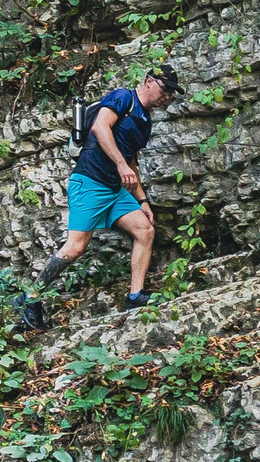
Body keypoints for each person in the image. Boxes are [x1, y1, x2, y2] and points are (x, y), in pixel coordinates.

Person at [25, 67, 179, 327]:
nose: (167, 97)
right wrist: (120, 165)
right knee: (76, 247)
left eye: (171, 94)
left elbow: (133, 163)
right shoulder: (123, 98)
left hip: (115, 190)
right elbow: (100, 127)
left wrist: (142, 200)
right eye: (165, 89)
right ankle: (30, 296)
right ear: (149, 82)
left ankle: (135, 295)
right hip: (90, 181)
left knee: (145, 230)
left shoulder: (145, 122)